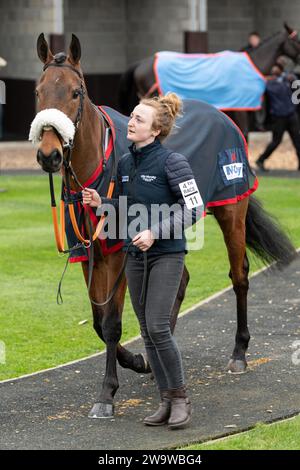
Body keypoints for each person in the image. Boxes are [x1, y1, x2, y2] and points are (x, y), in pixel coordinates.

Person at [83, 93, 202, 430]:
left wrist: (155, 231)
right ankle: (165, 400)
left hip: (166, 254)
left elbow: (195, 208)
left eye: (138, 119)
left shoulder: (173, 162)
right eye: (132, 117)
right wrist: (100, 203)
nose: (130, 123)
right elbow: (122, 209)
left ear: (155, 130)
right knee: (147, 333)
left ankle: (180, 399)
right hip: (134, 257)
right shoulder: (124, 163)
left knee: (159, 327)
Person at [256, 63, 300, 171]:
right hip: (279, 117)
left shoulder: (287, 80)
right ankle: (260, 160)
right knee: (276, 141)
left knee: (297, 141)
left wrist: (291, 78)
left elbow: (297, 86)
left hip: (291, 115)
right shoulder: (269, 83)